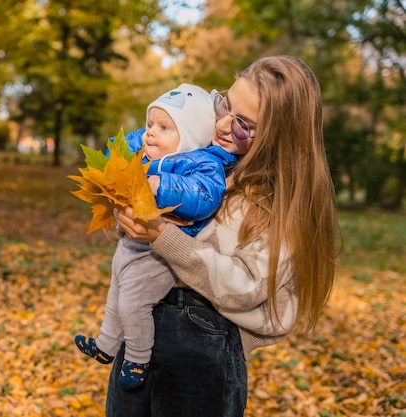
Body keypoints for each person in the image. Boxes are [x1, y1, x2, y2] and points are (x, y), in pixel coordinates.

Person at [106, 55, 341, 416]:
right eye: (226, 105)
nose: (224, 125)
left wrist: (222, 339)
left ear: (279, 138)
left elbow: (248, 286)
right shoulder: (194, 157)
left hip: (201, 350)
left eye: (244, 124)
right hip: (141, 333)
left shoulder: (274, 202)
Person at [74, 83, 237, 388]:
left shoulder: (201, 163)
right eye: (150, 123)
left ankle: (137, 359)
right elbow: (123, 148)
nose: (150, 132)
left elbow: (203, 196)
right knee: (116, 293)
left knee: (133, 303)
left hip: (161, 252)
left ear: (189, 136)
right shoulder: (150, 149)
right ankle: (107, 345)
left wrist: (158, 185)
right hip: (131, 242)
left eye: (163, 127)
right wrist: (115, 162)